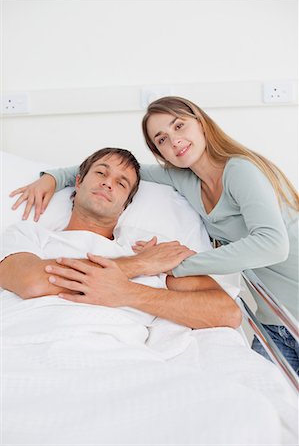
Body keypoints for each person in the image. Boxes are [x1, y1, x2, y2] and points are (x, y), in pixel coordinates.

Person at [9, 96, 299, 372]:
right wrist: (52, 177)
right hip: (275, 319)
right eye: (161, 139)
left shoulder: (239, 170)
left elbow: (273, 246)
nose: (174, 140)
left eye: (179, 125)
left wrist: (173, 264)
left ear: (201, 122)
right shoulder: (181, 178)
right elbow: (111, 169)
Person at [1, 147, 241, 331]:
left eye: (121, 183)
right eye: (100, 173)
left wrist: (129, 293)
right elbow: (32, 282)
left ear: (126, 203)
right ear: (78, 181)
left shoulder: (146, 246)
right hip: (27, 341)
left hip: (115, 356)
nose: (107, 183)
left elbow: (227, 313)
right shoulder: (27, 235)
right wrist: (139, 265)